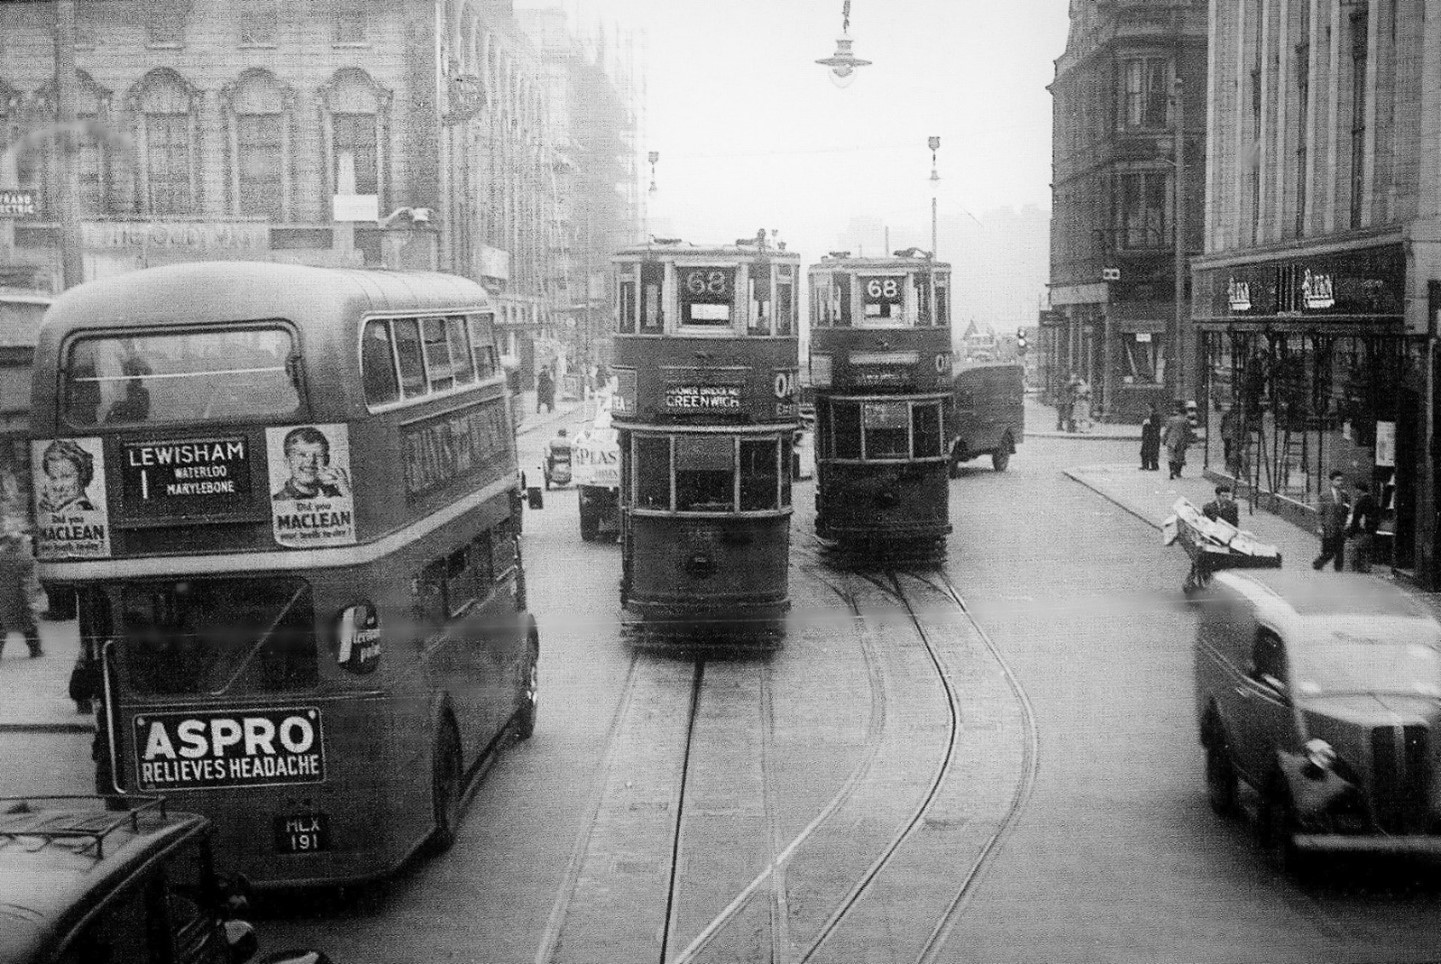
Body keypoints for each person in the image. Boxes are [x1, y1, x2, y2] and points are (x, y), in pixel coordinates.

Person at [0, 525, 44, 658]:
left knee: (1, 626)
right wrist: (36, 593)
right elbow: (31, 580)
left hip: (3, 598)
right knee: (29, 625)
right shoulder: (27, 558)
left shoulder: (1, 558)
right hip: (22, 597)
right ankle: (35, 650)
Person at [272, 426, 349, 501]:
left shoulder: (337, 495)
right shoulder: (278, 500)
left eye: (318, 455)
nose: (311, 460)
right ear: (287, 461)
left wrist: (347, 493)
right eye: (302, 455)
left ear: (326, 460)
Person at [37, 439, 97, 514]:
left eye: (66, 476)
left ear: (82, 476)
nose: (58, 486)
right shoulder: (62, 507)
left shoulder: (79, 509)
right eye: (53, 478)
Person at [1313, 470, 1350, 571]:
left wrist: (1346, 522)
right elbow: (1319, 512)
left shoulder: (1345, 495)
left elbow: (1347, 510)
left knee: (1340, 552)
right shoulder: (1324, 495)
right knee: (1328, 551)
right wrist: (1319, 527)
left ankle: (1338, 572)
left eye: (1341, 480)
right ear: (1331, 481)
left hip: (1340, 529)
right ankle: (1317, 565)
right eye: (1337, 480)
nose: (1340, 482)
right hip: (1328, 528)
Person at [1347, 478, 1381, 573]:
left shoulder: (1361, 502)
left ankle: (1358, 572)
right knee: (1367, 552)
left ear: (1359, 490)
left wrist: (1351, 533)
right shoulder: (1373, 501)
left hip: (1361, 532)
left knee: (1356, 551)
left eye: (1356, 490)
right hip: (1370, 532)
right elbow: (1377, 517)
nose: (1355, 492)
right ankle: (1366, 570)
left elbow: (1356, 519)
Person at [1161, 401, 1194, 480]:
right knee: (1179, 457)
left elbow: (1167, 430)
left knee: (1171, 456)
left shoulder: (1171, 419)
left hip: (1171, 440)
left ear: (1178, 412)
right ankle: (1178, 472)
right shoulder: (1185, 421)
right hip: (1181, 441)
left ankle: (1171, 470)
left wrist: (1164, 439)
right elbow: (1188, 432)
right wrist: (1189, 441)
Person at [1139, 405, 1162, 471]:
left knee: (1152, 452)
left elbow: (1156, 427)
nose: (1147, 409)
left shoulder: (1155, 416)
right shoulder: (1149, 416)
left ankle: (1153, 466)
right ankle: (1145, 465)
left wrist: (1148, 424)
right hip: (1148, 437)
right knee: (1145, 452)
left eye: (1149, 408)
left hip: (1152, 437)